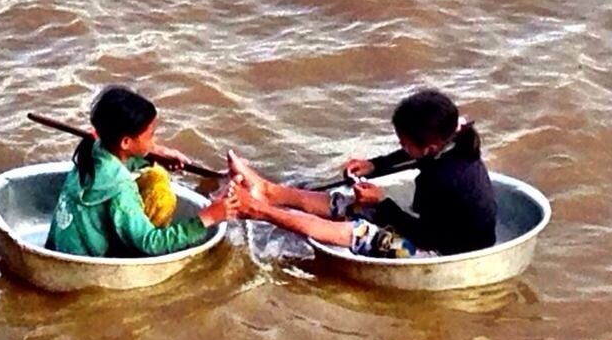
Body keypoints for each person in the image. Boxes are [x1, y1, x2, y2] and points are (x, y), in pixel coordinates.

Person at [229, 88, 497, 258]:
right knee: (346, 202)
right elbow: (414, 154)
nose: (401, 147)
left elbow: (426, 236)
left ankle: (258, 210)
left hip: (446, 252)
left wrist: (382, 203)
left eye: (404, 142)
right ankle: (268, 191)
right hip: (441, 228)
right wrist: (375, 165)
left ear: (431, 146)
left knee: (357, 231)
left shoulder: (443, 179)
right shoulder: (454, 137)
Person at [46, 85, 238, 257]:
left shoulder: (91, 147)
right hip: (86, 259)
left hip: (58, 245)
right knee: (163, 198)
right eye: (150, 136)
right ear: (126, 142)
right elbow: (150, 242)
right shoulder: (120, 189)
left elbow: (118, 161)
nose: (154, 141)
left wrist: (155, 154)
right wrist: (208, 217)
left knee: (158, 175)